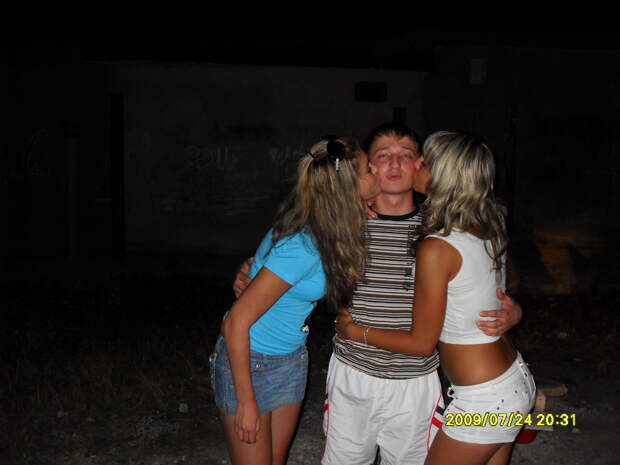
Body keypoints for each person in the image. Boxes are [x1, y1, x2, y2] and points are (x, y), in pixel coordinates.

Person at [234, 122, 522, 465]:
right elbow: (285, 263)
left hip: (415, 380)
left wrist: (512, 310)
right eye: (383, 155)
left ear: (422, 166)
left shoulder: (443, 227)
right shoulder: (341, 226)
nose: (396, 163)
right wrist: (250, 276)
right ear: (366, 168)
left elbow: (484, 279)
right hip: (353, 373)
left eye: (407, 154)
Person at [336, 130, 535, 465]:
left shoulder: (436, 246)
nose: (414, 163)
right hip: (512, 379)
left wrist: (355, 331)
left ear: (443, 175)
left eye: (423, 161)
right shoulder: (485, 226)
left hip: (484, 398)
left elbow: (421, 344)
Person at [210, 136, 379, 465]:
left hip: (291, 357)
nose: (376, 173)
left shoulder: (329, 229)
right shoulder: (304, 244)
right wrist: (246, 401)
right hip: (251, 360)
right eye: (369, 169)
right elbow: (235, 324)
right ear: (348, 187)